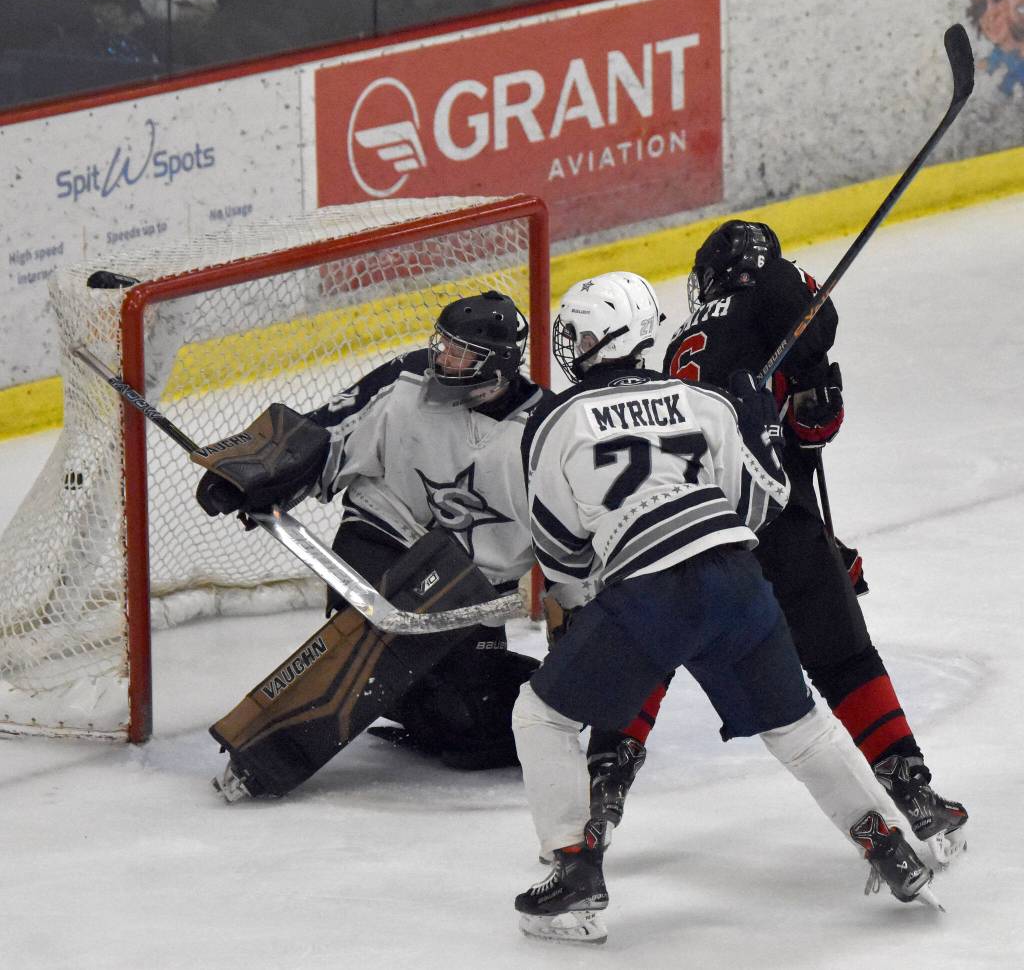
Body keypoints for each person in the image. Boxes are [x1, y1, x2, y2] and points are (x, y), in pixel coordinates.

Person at [511, 272, 939, 944]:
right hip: (740, 583)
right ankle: (888, 842)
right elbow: (759, 506)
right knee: (799, 732)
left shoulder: (556, 420)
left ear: (608, 341)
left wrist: (584, 596)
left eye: (584, 333)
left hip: (648, 593)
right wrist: (763, 430)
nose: (575, 344)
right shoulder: (704, 402)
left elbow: (559, 551)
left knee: (540, 715)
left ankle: (574, 868)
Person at [661, 221, 968, 863]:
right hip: (772, 520)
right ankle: (911, 787)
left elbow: (797, 423)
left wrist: (807, 406)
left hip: (683, 525)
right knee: (843, 657)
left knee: (646, 650)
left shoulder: (680, 343)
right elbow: (816, 341)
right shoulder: (772, 295)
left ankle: (601, 798)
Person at [197, 291, 548, 796]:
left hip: (471, 594)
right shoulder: (407, 380)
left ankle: (426, 694)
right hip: (382, 544)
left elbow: (571, 531)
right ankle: (272, 753)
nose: (443, 358)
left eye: (460, 353)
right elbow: (324, 432)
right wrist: (249, 475)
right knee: (376, 659)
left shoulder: (545, 430)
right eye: (443, 344)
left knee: (477, 729)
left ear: (499, 364)